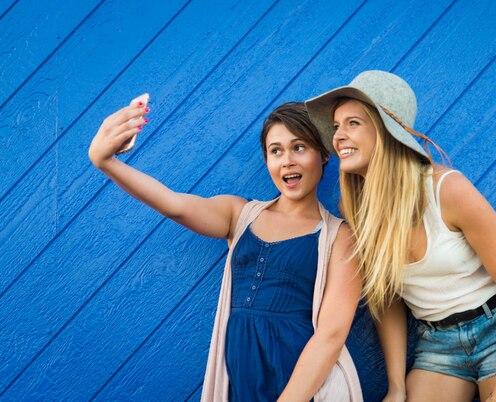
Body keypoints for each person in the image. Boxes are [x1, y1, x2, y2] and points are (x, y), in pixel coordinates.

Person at [305, 71, 496, 402]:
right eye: (336, 126)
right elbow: (388, 297)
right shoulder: (355, 209)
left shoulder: (447, 190)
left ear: (385, 131)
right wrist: (396, 386)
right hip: (438, 341)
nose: (338, 136)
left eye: (353, 123)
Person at [88, 100, 363, 401]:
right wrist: (106, 162)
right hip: (239, 383)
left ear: (323, 154)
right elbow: (174, 205)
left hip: (301, 387)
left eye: (299, 147)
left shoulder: (340, 235)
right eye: (276, 151)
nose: (287, 160)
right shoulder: (239, 214)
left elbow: (331, 335)